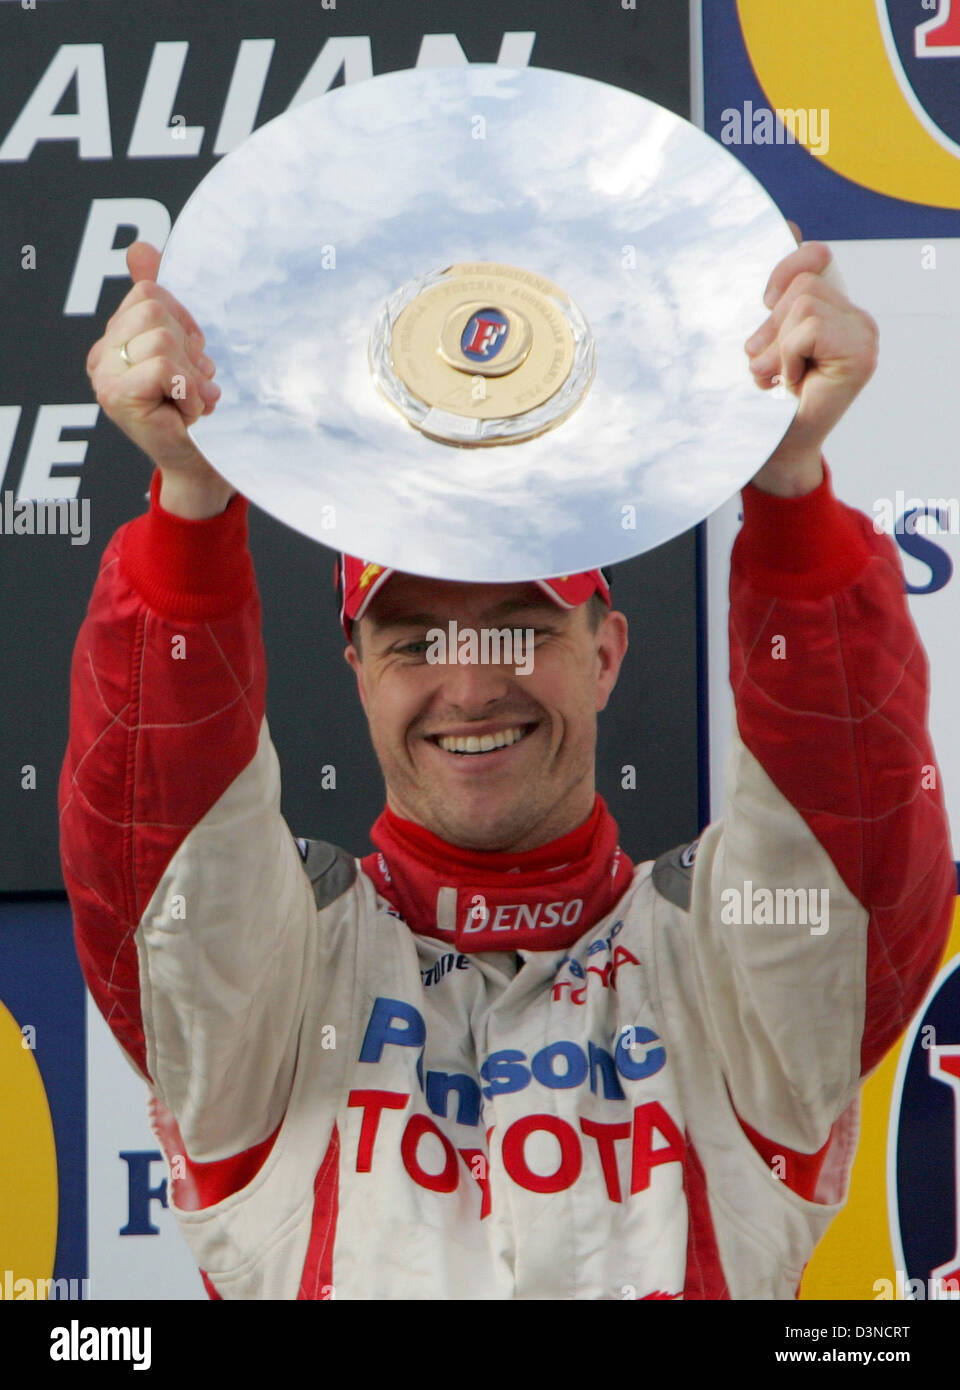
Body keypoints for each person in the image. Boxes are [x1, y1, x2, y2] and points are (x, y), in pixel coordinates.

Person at [60, 237, 955, 1301]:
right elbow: (165, 851)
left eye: (520, 623)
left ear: (607, 651)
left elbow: (850, 836)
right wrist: (192, 497)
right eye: (415, 638)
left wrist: (789, 483)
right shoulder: (278, 991)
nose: (473, 684)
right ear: (355, 670)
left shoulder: (725, 977)